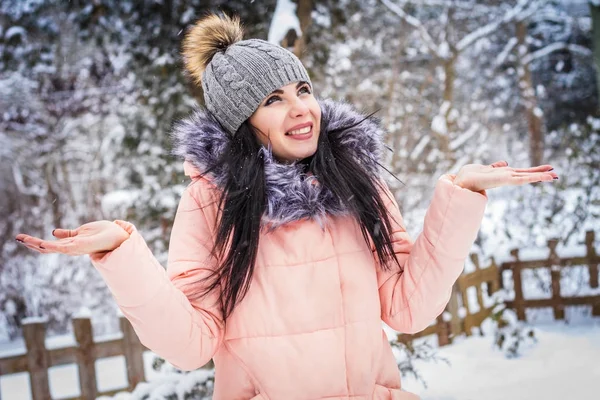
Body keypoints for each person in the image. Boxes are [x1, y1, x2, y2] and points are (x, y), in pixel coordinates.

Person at [16, 13, 558, 400]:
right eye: (273, 100)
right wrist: (122, 256)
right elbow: (190, 343)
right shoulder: (212, 199)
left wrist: (458, 197)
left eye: (302, 89)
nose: (301, 109)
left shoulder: (356, 182)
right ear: (241, 122)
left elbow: (407, 308)